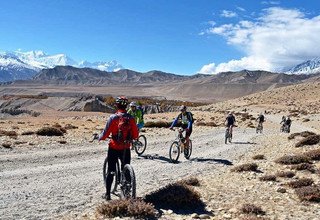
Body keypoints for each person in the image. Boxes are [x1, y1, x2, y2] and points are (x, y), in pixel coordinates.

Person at [96, 96, 139, 200]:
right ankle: (127, 193)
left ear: (116, 105)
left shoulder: (113, 118)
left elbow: (105, 134)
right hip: (125, 148)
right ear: (126, 106)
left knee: (110, 171)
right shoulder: (131, 118)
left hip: (114, 148)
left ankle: (107, 194)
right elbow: (136, 135)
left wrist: (99, 137)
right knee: (126, 169)